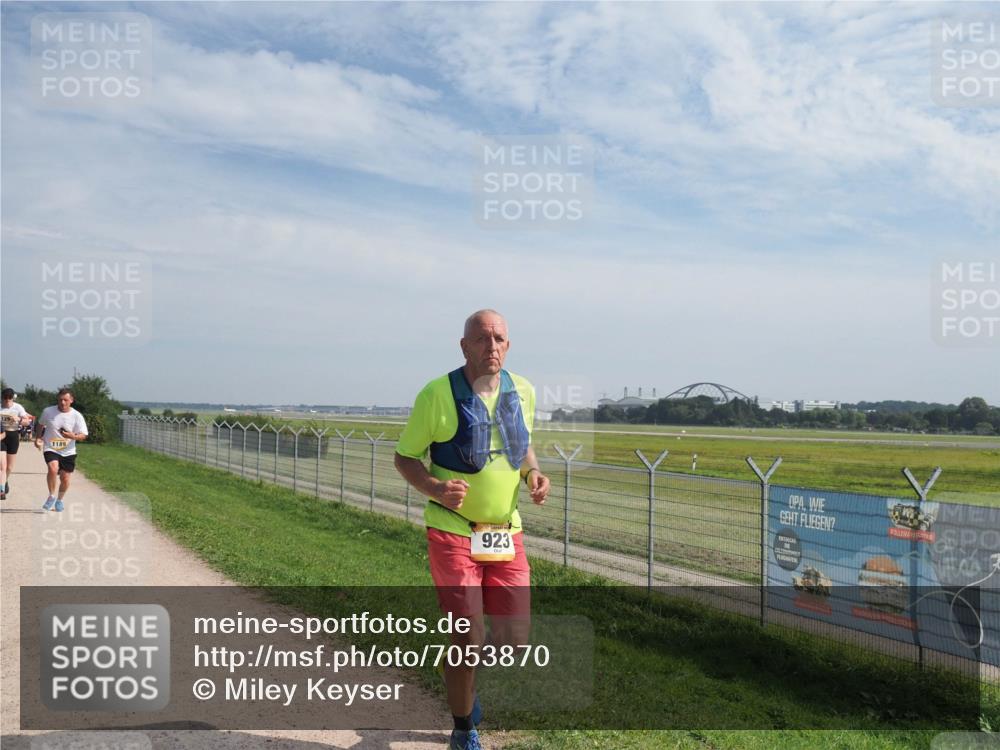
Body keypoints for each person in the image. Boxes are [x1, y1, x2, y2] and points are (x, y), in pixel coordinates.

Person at [394, 310, 550, 750]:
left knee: (513, 640)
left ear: (509, 345)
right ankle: (464, 728)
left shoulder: (523, 391)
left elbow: (522, 445)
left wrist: (533, 473)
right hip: (453, 530)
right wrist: (435, 488)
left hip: (505, 532)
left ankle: (462, 680)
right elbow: (405, 457)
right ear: (464, 346)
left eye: (499, 338)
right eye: (481, 339)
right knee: (468, 636)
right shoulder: (437, 394)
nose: (491, 346)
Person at [34, 388, 89, 512]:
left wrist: (73, 436)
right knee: (53, 469)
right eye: (60, 400)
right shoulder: (48, 411)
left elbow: (84, 435)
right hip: (51, 447)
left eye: (65, 400)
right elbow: (40, 424)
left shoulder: (77, 416)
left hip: (68, 451)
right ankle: (51, 496)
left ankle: (59, 500)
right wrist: (38, 438)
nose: (62, 402)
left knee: (65, 478)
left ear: (71, 400)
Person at [0, 388, 35, 498]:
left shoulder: (18, 407)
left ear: (13, 398)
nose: (7, 400)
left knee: (9, 467)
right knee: (2, 465)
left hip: (13, 435)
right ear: (2, 398)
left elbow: (27, 422)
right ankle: (1, 489)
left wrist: (19, 420)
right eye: (5, 398)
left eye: (9, 398)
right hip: (1, 436)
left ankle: (4, 480)